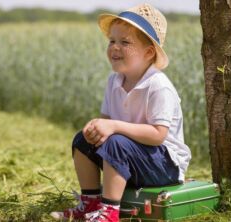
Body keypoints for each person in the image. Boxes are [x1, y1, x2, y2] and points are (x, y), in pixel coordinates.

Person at [50, 3, 191, 222]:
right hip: (129, 156)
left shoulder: (158, 85)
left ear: (148, 52)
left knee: (115, 141)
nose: (115, 47)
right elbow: (107, 122)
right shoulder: (114, 81)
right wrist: (98, 127)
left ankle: (109, 213)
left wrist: (113, 127)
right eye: (112, 41)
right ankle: (90, 204)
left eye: (125, 42)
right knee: (82, 140)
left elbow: (158, 135)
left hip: (164, 165)